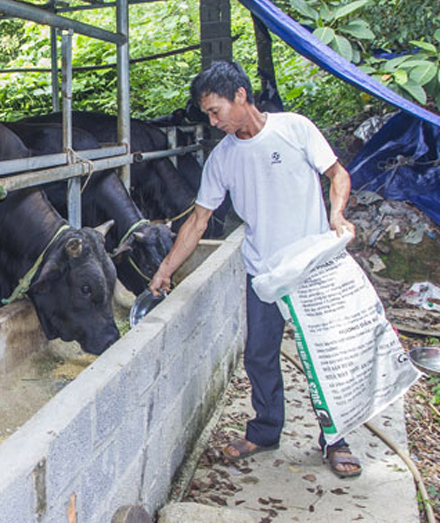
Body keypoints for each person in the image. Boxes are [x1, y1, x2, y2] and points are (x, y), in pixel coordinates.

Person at [148, 60, 361, 478]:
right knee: (260, 356)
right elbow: (197, 222)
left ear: (241, 96)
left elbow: (338, 175)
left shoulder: (295, 129)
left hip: (311, 267)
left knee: (323, 354)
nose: (212, 122)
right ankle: (265, 430)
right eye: (207, 114)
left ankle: (336, 439)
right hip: (264, 271)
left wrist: (336, 215)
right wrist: (165, 270)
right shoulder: (222, 159)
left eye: (215, 111)